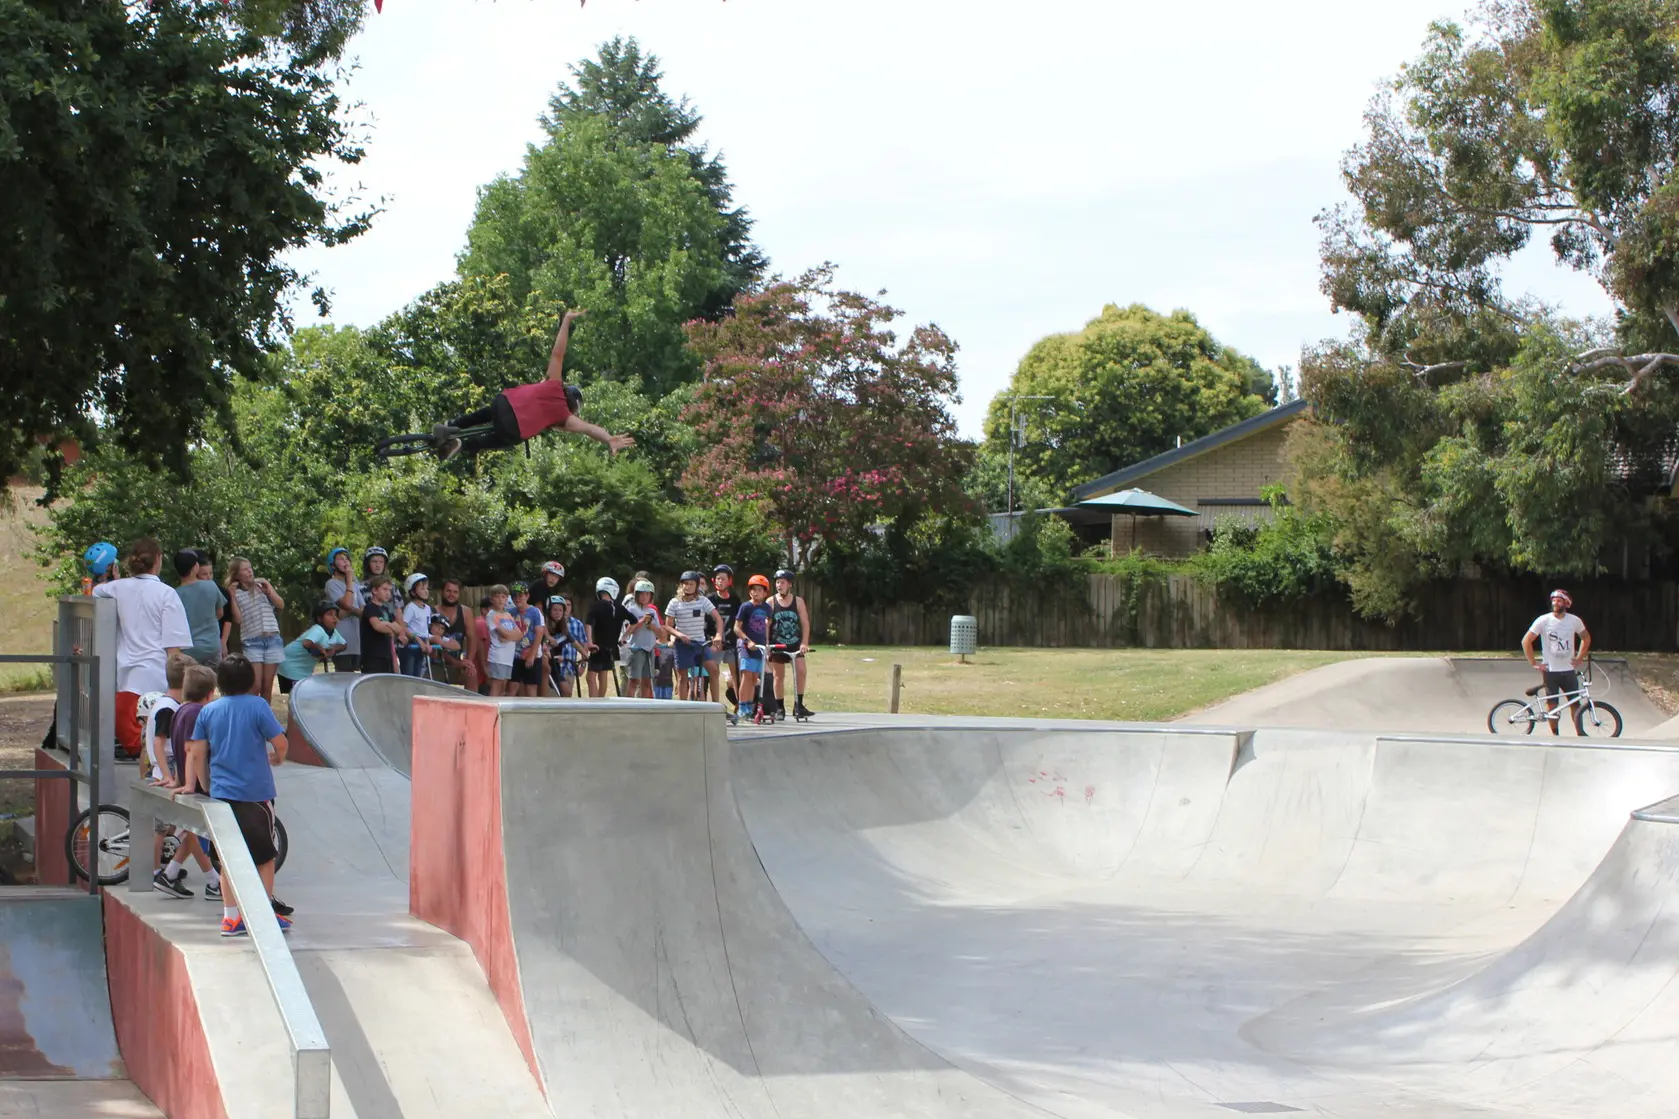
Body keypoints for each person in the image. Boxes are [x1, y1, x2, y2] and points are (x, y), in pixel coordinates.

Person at [180, 655, 291, 937]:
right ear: (252, 681)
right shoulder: (258, 706)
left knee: (228, 859)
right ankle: (263, 915)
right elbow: (280, 742)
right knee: (265, 857)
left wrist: (206, 784)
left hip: (222, 795)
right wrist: (278, 758)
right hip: (256, 796)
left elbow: (197, 751)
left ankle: (231, 918)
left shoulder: (208, 711)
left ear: (220, 683)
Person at [432, 311, 635, 460]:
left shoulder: (554, 383)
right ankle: (462, 444)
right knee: (502, 440)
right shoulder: (566, 418)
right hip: (513, 429)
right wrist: (608, 439)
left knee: (486, 412)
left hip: (503, 403)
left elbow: (558, 352)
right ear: (573, 407)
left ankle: (451, 426)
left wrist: (566, 320)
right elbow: (590, 429)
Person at [93, 538, 193, 759]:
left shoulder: (118, 588)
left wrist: (115, 581)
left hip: (125, 679)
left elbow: (96, 592)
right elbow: (173, 649)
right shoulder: (166, 593)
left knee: (137, 746)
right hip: (156, 678)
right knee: (158, 746)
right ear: (158, 560)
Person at [153, 663, 219, 900]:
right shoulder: (196, 713)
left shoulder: (180, 710)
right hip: (198, 784)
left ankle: (171, 873)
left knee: (193, 832)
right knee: (201, 832)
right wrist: (194, 783)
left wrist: (178, 779)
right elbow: (192, 750)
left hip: (188, 780)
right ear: (210, 694)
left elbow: (181, 749)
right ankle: (213, 881)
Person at [1523, 589, 1592, 736]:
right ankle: (1555, 734)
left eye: (1559, 601)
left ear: (1566, 603)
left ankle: (1580, 733)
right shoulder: (1543, 620)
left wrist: (1580, 657)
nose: (1555, 603)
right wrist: (1533, 662)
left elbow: (1586, 638)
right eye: (1553, 600)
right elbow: (1526, 641)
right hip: (1550, 671)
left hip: (1568, 670)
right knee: (1552, 704)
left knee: (1575, 703)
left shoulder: (1574, 620)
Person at [224, 556, 286, 703]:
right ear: (236, 574)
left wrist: (269, 590)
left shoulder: (261, 587)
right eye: (245, 569)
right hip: (252, 641)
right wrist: (232, 597)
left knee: (267, 686)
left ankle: (264, 715)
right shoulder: (235, 592)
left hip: (272, 639)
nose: (249, 571)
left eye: (250, 568)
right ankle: (249, 713)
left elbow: (281, 605)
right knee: (255, 685)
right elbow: (238, 619)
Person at [663, 571, 719, 702]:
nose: (688, 586)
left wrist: (719, 635)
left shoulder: (703, 601)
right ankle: (682, 707)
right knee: (682, 678)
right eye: (685, 583)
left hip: (700, 643)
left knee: (714, 671)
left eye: (691, 584)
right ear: (681, 585)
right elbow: (668, 626)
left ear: (697, 586)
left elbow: (718, 619)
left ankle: (717, 705)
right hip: (683, 644)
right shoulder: (674, 602)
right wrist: (679, 634)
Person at [767, 569, 814, 721]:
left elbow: (805, 623)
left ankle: (798, 706)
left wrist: (804, 642)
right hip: (777, 644)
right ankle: (779, 707)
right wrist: (767, 645)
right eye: (777, 582)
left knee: (801, 671)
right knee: (778, 676)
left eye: (782, 582)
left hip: (794, 644)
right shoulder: (771, 602)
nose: (779, 585)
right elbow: (766, 625)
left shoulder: (798, 601)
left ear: (789, 585)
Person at [277, 602, 347, 695]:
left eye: (336, 615)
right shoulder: (318, 629)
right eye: (330, 614)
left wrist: (334, 649)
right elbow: (306, 643)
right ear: (319, 618)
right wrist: (320, 647)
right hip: (290, 664)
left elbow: (344, 644)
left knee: (302, 695)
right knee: (297, 695)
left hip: (303, 668)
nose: (335, 618)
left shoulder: (334, 632)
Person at [732, 575, 775, 724]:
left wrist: (767, 644)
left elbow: (766, 627)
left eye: (759, 590)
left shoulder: (767, 608)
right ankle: (742, 708)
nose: (756, 593)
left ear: (765, 593)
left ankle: (749, 708)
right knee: (746, 676)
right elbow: (736, 628)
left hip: (760, 647)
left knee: (754, 678)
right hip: (746, 646)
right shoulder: (746, 607)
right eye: (753, 589)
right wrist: (747, 641)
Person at [174, 549, 227, 668]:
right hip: (212, 646)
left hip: (189, 650)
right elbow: (220, 613)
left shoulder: (174, 594)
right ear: (196, 567)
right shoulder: (211, 586)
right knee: (213, 678)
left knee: (191, 679)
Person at [583, 577, 633, 698]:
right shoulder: (619, 608)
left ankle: (594, 702)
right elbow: (634, 621)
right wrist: (624, 637)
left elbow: (588, 623)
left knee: (590, 677)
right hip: (611, 647)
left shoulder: (596, 606)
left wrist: (589, 642)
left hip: (597, 647)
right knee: (603, 675)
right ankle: (601, 701)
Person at [324, 548, 365, 673]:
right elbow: (347, 604)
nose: (346, 561)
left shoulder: (355, 585)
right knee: (344, 677)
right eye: (341, 559)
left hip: (357, 643)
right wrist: (349, 580)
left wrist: (348, 611)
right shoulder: (331, 584)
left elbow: (363, 610)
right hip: (341, 642)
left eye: (347, 559)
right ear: (333, 565)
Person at [707, 564, 741, 710]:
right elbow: (706, 621)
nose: (720, 581)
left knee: (736, 673)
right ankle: (715, 704)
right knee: (714, 673)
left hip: (732, 642)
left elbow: (739, 620)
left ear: (729, 581)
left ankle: (739, 704)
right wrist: (712, 638)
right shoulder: (710, 599)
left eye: (723, 579)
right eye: (718, 579)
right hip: (715, 643)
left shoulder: (735, 600)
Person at [433, 579, 479, 689]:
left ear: (459, 594)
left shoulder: (466, 612)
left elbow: (473, 639)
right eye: (448, 591)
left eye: (455, 592)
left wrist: (468, 661)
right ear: (442, 592)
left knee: (471, 673)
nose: (451, 595)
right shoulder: (432, 612)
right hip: (436, 662)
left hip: (458, 663)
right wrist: (455, 663)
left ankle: (473, 700)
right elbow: (433, 645)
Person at [622, 580, 665, 698]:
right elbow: (629, 631)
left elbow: (660, 633)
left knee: (647, 682)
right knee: (634, 680)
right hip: (636, 648)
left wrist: (651, 626)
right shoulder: (631, 609)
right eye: (641, 594)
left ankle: (646, 705)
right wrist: (641, 621)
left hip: (649, 649)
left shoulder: (652, 611)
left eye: (647, 594)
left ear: (651, 596)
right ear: (636, 595)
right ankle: (629, 703)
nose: (644, 597)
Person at [507, 583, 547, 697]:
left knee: (531, 687)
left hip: (532, 655)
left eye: (520, 595)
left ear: (527, 596)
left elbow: (539, 633)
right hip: (515, 655)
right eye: (514, 596)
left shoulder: (535, 612)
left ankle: (532, 708)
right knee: (512, 686)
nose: (517, 599)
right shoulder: (510, 613)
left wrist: (532, 656)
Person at [359, 575, 403, 676]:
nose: (388, 593)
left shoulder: (386, 610)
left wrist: (386, 624)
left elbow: (398, 629)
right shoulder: (370, 608)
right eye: (385, 589)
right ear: (374, 591)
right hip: (373, 658)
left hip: (387, 656)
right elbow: (378, 627)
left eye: (390, 590)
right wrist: (390, 626)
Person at [483, 585, 522, 697]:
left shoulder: (507, 615)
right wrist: (510, 636)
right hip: (498, 656)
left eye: (503, 597)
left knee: (503, 686)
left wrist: (508, 637)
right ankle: (491, 706)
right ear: (492, 599)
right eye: (497, 596)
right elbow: (502, 634)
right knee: (497, 685)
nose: (500, 599)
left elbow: (519, 634)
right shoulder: (492, 615)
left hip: (508, 657)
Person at [544, 596, 586, 697]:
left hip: (556, 668)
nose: (558, 613)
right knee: (548, 695)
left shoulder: (564, 630)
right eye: (555, 610)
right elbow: (543, 646)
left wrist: (585, 656)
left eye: (560, 610)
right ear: (549, 611)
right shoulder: (544, 627)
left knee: (567, 692)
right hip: (545, 668)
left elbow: (575, 643)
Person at [399, 574, 436, 678]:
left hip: (422, 645)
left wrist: (427, 643)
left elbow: (425, 629)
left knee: (418, 675)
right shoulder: (411, 608)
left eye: (427, 588)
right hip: (411, 644)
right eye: (422, 588)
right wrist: (418, 640)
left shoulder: (427, 608)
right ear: (413, 592)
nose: (426, 591)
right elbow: (403, 626)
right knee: (408, 675)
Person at [472, 595, 493, 695]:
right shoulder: (481, 623)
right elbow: (480, 647)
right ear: (484, 610)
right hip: (480, 671)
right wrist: (485, 668)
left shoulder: (490, 624)